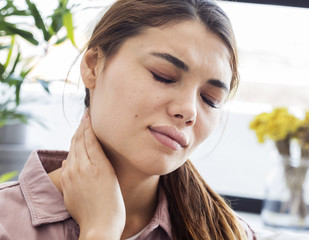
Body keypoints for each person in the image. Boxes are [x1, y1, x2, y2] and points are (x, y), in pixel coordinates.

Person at [0, 0, 256, 239]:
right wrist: (101, 228)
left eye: (210, 99)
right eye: (163, 76)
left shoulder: (233, 233)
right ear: (93, 66)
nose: (189, 111)